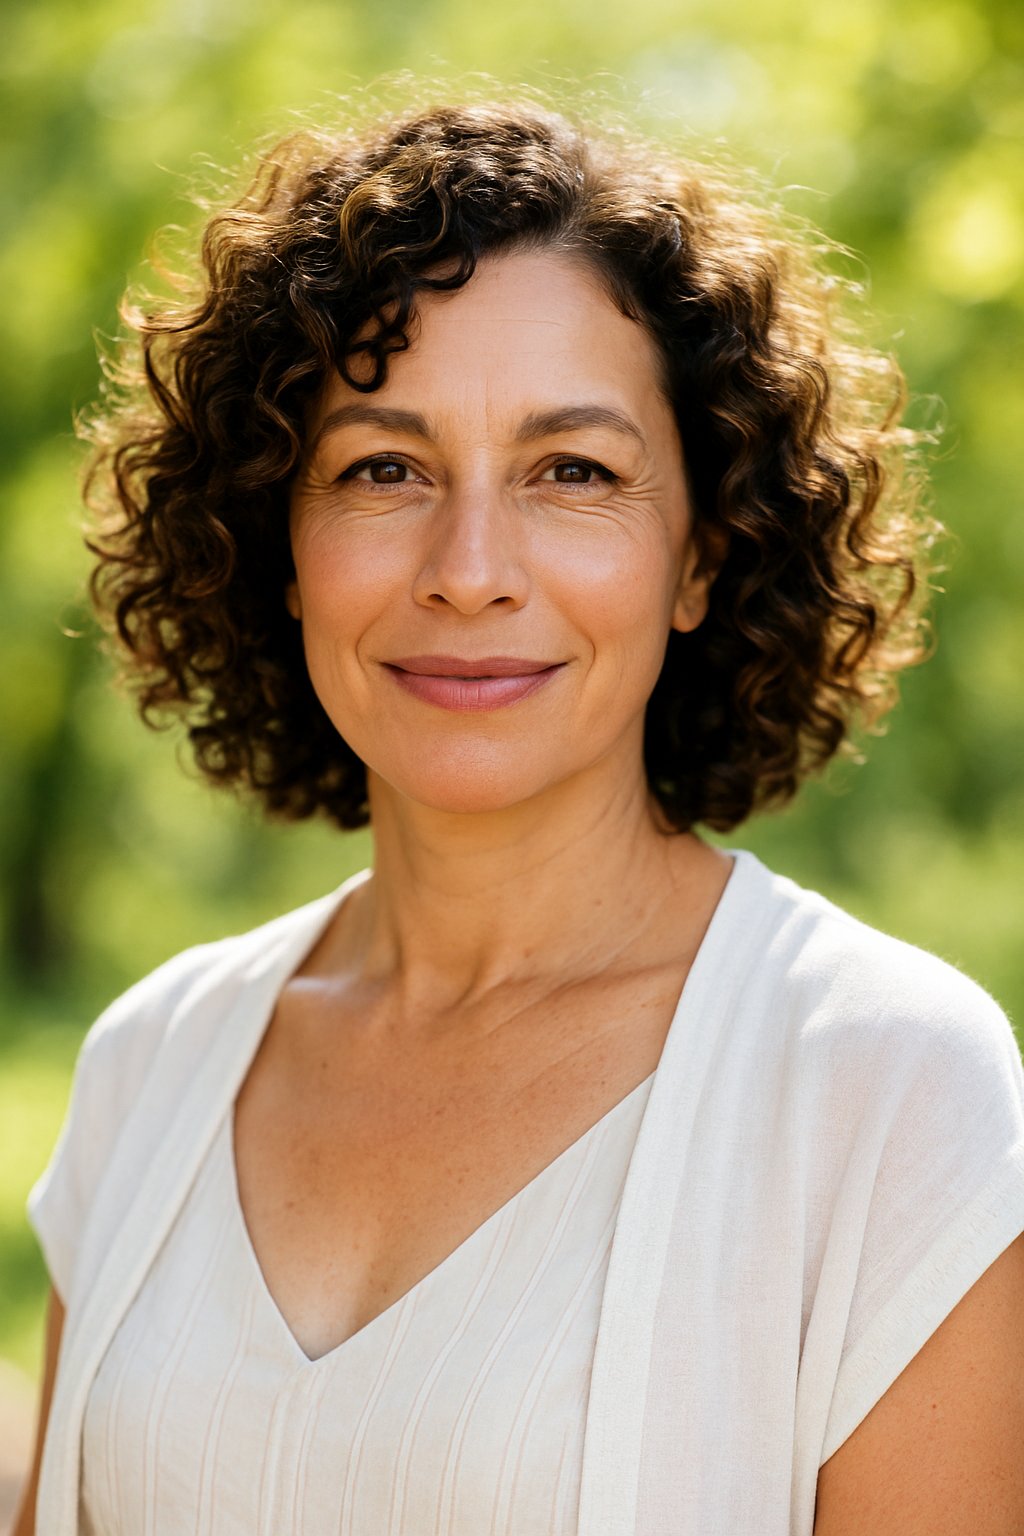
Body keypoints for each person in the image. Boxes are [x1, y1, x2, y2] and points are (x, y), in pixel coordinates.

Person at [14, 96, 1024, 1536]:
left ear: (700, 558)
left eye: (575, 472)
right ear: (278, 543)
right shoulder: (152, 1069)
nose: (471, 567)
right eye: (382, 468)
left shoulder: (885, 1086)